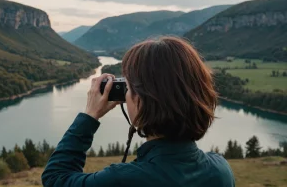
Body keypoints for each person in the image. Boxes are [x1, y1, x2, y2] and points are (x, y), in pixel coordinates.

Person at [41, 37, 235, 187]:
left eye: (129, 87)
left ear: (142, 100)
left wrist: (89, 116)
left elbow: (56, 178)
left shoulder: (123, 179)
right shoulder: (220, 171)